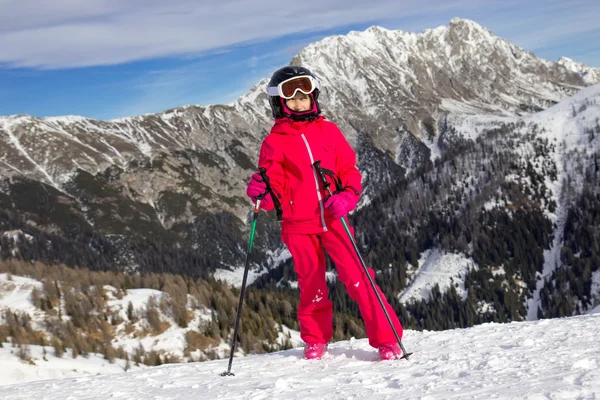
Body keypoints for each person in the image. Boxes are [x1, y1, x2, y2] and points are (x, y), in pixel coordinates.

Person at [246, 66, 403, 361]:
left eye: (304, 96)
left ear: (313, 97)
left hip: (334, 218)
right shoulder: (274, 142)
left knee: (358, 277)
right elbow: (273, 189)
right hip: (297, 225)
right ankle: (315, 339)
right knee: (310, 282)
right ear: (278, 103)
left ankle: (387, 338)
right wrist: (261, 192)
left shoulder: (329, 131)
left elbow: (348, 170)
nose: (299, 102)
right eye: (290, 98)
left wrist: (348, 196)